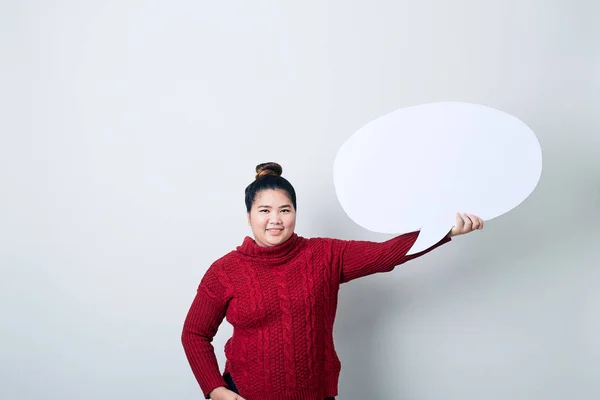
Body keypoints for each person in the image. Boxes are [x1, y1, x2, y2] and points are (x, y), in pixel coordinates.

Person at [181, 162, 483, 400]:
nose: (275, 219)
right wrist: (215, 389)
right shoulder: (225, 271)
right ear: (249, 217)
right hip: (245, 394)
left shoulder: (324, 254)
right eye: (264, 211)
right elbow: (194, 333)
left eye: (285, 210)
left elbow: (386, 254)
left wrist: (445, 230)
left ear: (295, 213)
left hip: (316, 395)